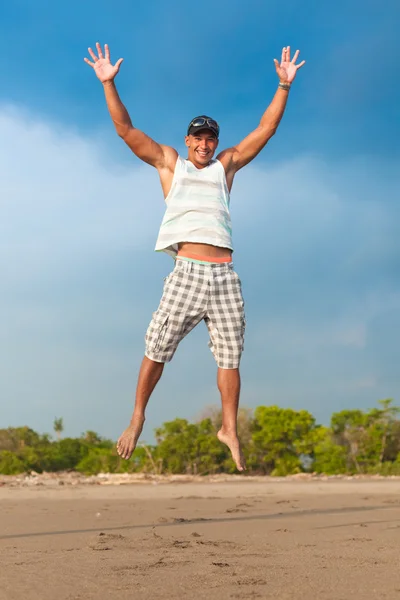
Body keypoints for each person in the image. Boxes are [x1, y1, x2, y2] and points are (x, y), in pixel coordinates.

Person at [84, 43, 305, 471]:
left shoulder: (226, 167)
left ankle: (229, 428)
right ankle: (136, 417)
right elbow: (126, 131)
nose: (205, 144)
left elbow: (266, 130)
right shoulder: (171, 164)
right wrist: (109, 83)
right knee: (157, 346)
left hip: (224, 276)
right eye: (198, 138)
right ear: (188, 141)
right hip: (186, 272)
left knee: (230, 356)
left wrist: (283, 85)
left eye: (210, 138)